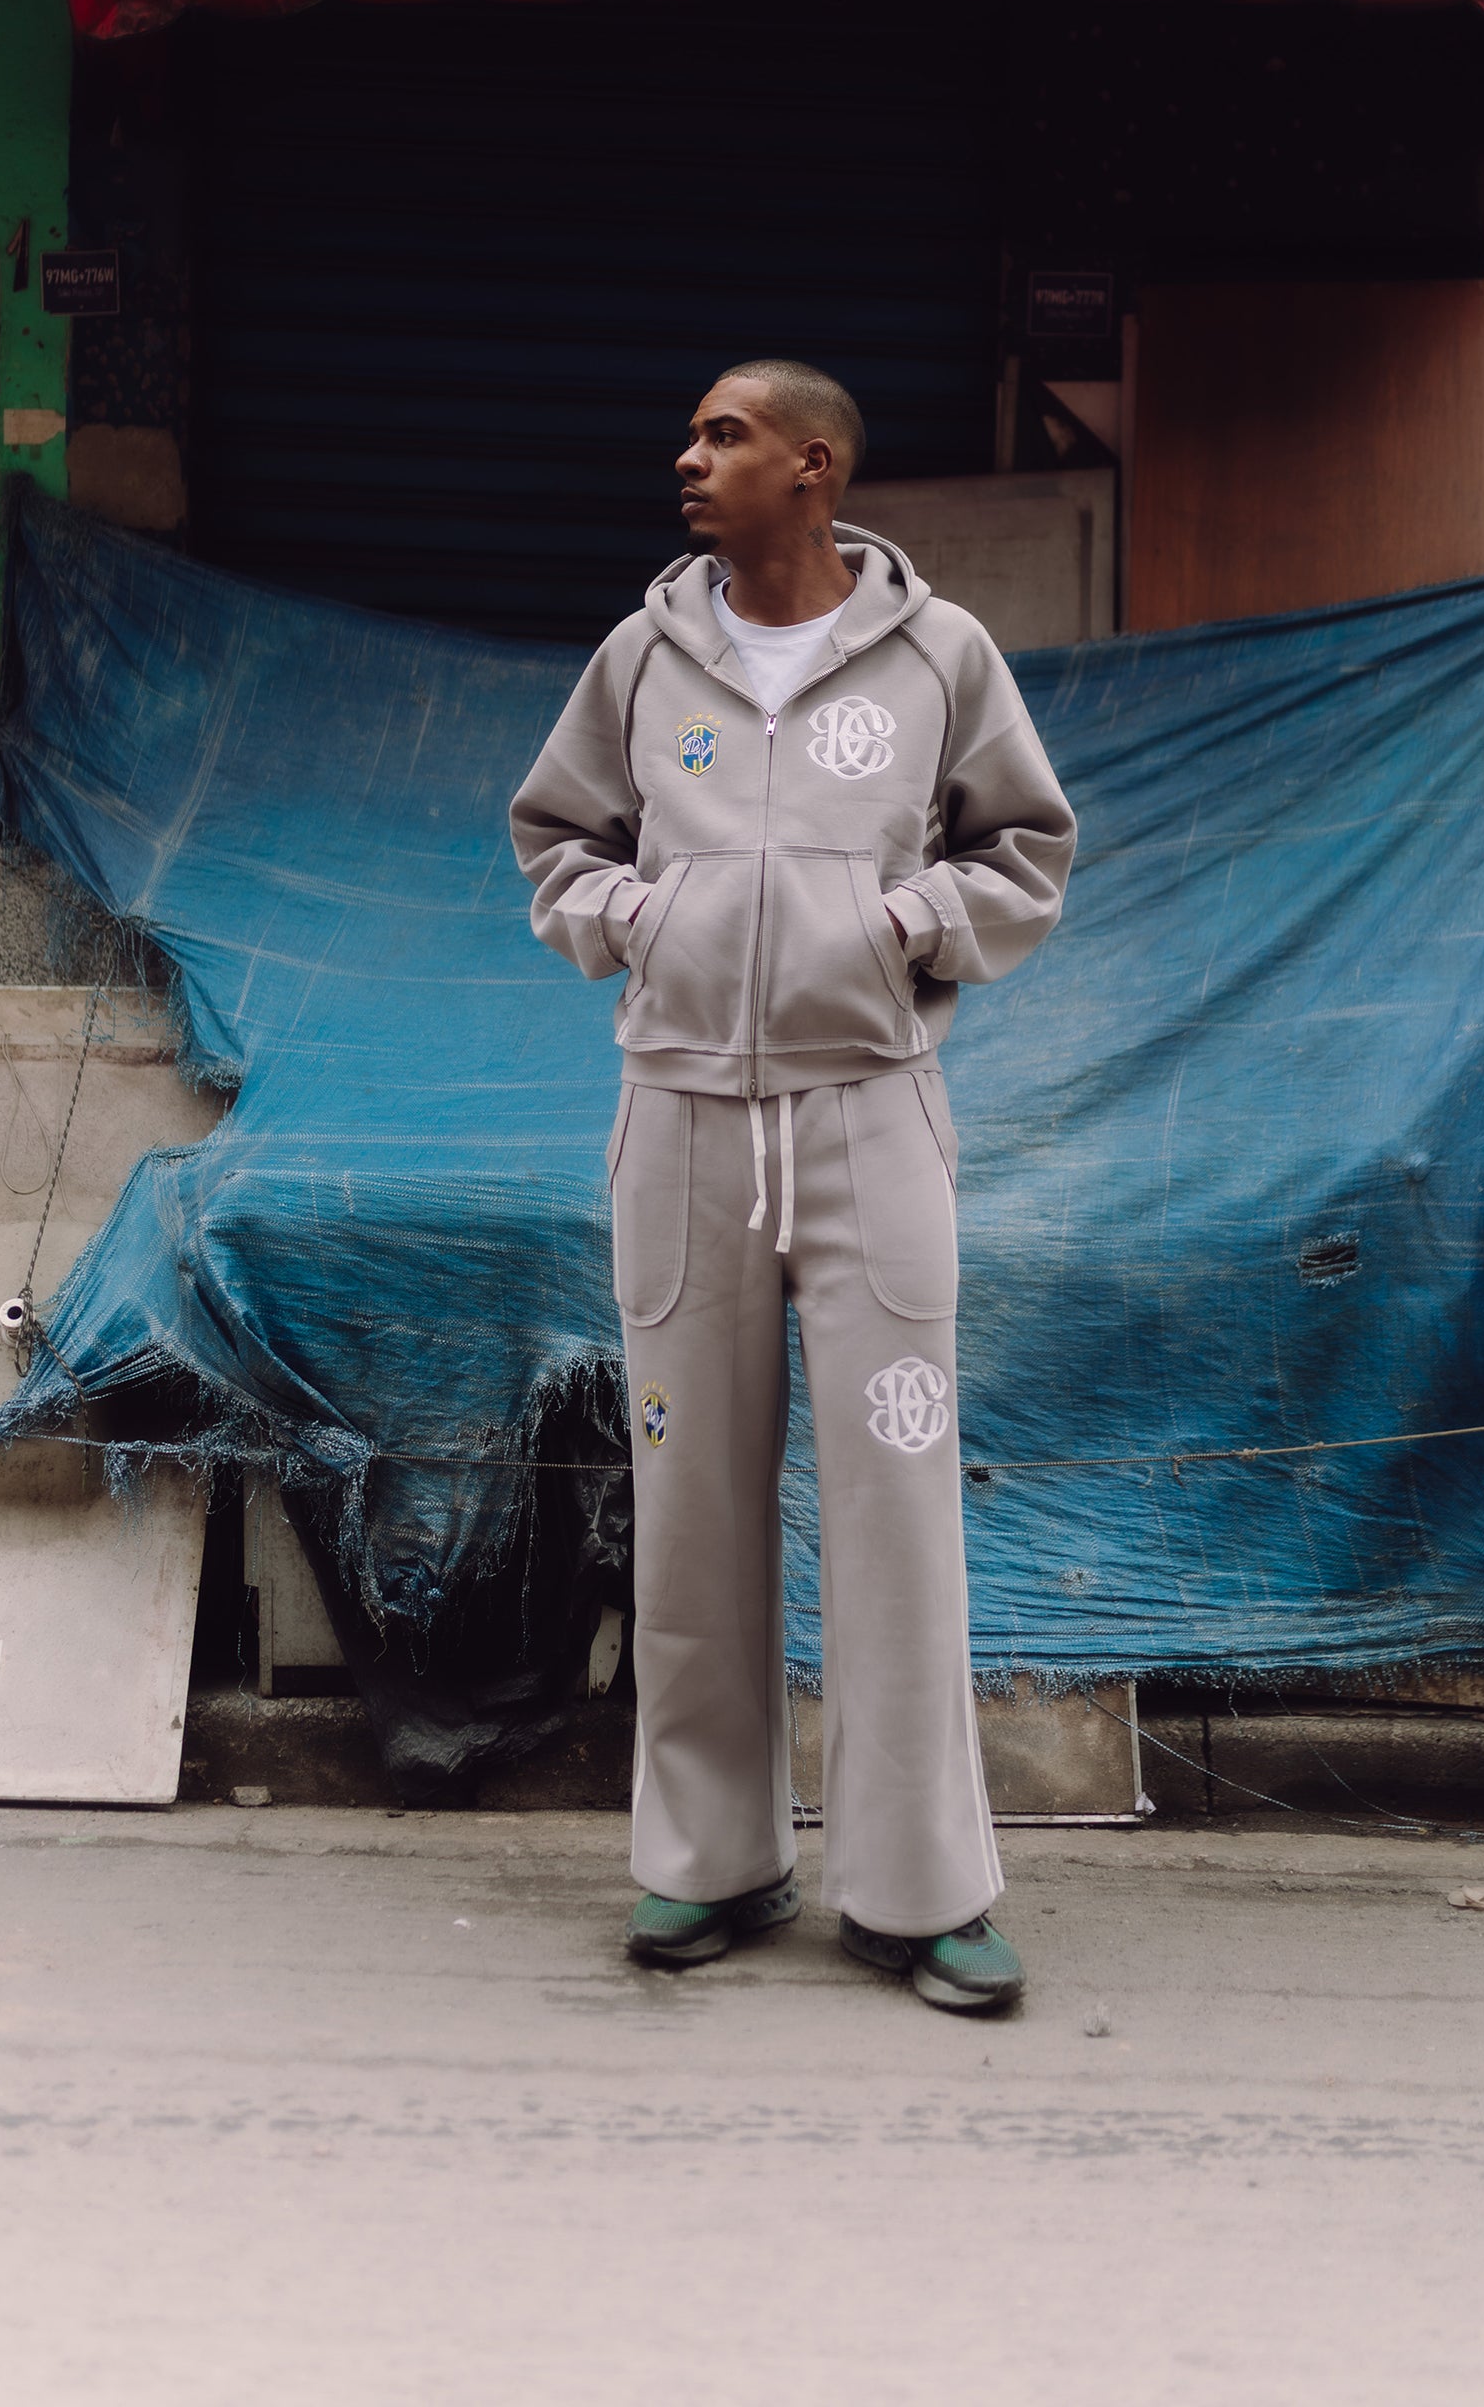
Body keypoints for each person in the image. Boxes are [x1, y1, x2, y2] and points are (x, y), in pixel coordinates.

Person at [510, 360, 1076, 2013]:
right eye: (692, 434)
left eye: (725, 435)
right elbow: (556, 839)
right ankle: (710, 1864)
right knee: (690, 1505)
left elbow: (1023, 849)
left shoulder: (938, 654)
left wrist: (901, 926)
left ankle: (919, 1894)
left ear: (812, 465)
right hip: (680, 1122)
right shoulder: (640, 657)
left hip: (867, 1120)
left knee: (896, 1509)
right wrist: (637, 919)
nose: (687, 458)